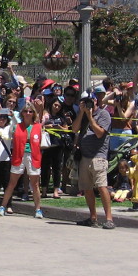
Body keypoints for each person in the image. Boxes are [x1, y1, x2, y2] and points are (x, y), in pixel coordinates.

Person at [72, 93, 115, 229]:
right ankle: (93, 217)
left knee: (102, 187)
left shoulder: (104, 114)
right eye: (84, 102)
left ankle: (109, 218)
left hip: (99, 156)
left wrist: (90, 117)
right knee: (87, 188)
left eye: (90, 101)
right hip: (85, 156)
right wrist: (81, 113)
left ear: (96, 101)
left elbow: (99, 133)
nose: (88, 104)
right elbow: (74, 129)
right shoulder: (82, 115)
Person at [0, 102, 44, 218]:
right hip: (19, 156)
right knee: (12, 182)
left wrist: (40, 107)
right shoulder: (17, 125)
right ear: (22, 113)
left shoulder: (37, 126)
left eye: (30, 111)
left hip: (33, 156)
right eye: (26, 111)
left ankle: (38, 209)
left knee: (35, 184)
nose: (28, 113)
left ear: (33, 113)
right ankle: (2, 206)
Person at [40, 96, 70, 199]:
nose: (57, 107)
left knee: (57, 168)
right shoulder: (46, 115)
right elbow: (40, 125)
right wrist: (46, 127)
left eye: (59, 106)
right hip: (47, 145)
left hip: (58, 145)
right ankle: (44, 190)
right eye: (55, 105)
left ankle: (56, 191)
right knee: (45, 168)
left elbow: (66, 129)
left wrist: (59, 128)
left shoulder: (62, 118)